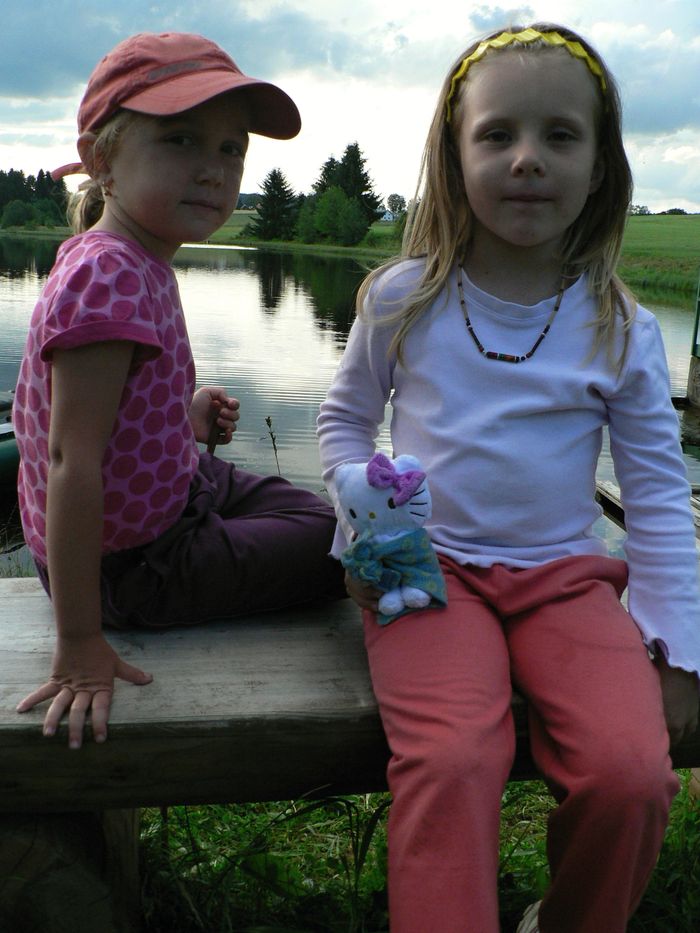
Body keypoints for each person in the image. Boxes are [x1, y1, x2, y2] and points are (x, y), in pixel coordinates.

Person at [317, 23, 700, 933]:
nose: (527, 158)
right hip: (429, 573)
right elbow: (343, 421)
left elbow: (655, 495)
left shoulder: (622, 328)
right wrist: (366, 526)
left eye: (560, 135)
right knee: (452, 760)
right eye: (497, 135)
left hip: (565, 578)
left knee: (631, 774)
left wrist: (681, 649)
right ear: (455, 160)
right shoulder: (402, 296)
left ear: (599, 168)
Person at [14, 31, 344, 751]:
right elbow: (70, 462)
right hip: (130, 567)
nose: (213, 170)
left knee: (333, 519)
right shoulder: (108, 274)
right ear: (103, 159)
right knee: (334, 547)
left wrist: (180, 418)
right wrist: (79, 641)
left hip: (175, 492)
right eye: (181, 140)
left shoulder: (135, 258)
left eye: (231, 149)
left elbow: (112, 415)